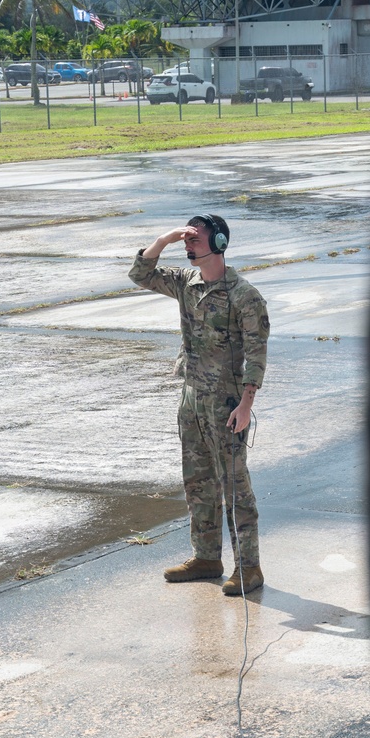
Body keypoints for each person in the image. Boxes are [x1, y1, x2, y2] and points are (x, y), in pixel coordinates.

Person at [129, 214, 269, 595]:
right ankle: (207, 557)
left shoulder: (244, 296)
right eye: (186, 241)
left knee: (234, 487)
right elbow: (140, 274)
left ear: (220, 244)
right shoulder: (186, 282)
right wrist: (165, 238)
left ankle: (249, 567)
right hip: (191, 397)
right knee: (198, 482)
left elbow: (256, 354)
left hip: (226, 403)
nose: (188, 246)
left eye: (195, 240)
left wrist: (245, 404)